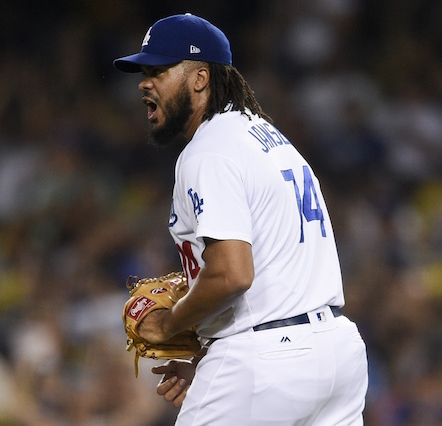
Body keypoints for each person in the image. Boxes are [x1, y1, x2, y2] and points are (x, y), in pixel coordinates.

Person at [113, 13, 368, 425]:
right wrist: (208, 349)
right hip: (336, 352)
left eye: (159, 70)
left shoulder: (208, 151)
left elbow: (232, 275)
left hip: (266, 360)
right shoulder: (268, 138)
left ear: (199, 79)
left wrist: (169, 324)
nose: (145, 81)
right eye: (144, 71)